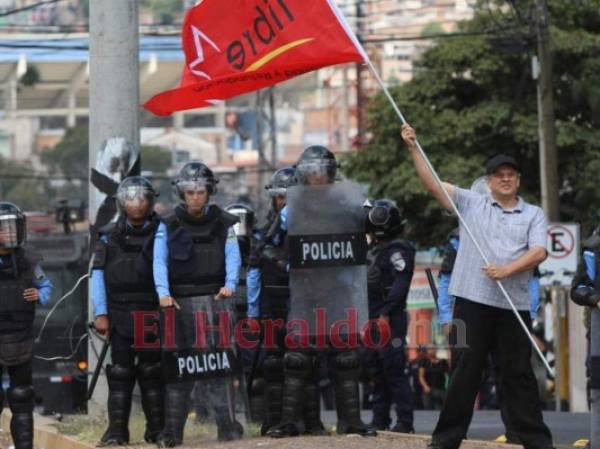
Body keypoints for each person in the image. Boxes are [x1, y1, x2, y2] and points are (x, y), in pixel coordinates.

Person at [401, 124, 555, 449]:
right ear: (488, 181)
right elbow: (432, 184)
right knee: (464, 372)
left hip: (513, 306)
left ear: (518, 180)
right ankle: (445, 440)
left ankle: (533, 440)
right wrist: (414, 147)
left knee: (518, 375)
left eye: (510, 174)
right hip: (470, 302)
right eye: (498, 174)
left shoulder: (534, 214)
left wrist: (507, 269)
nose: (505, 178)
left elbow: (540, 251)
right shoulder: (472, 203)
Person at [268, 146, 376, 437]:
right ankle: (290, 422)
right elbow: (268, 245)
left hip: (339, 290)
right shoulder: (292, 209)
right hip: (305, 291)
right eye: (310, 171)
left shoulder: (348, 200)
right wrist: (286, 262)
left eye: (321, 170)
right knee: (297, 359)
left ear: (331, 171)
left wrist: (377, 215)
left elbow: (375, 216)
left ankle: (350, 422)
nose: (316, 176)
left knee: (346, 358)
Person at [153, 161, 242, 447]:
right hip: (179, 305)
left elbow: (232, 255)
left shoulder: (224, 221)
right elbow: (159, 260)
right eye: (190, 191)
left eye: (200, 191)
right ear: (181, 193)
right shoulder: (167, 224)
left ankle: (227, 428)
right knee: (180, 370)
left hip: (216, 301)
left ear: (209, 192)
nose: (195, 197)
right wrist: (163, 293)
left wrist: (229, 286)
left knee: (219, 367)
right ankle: (173, 434)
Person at [246, 167, 322, 436]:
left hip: (303, 303)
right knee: (273, 364)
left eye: (291, 196)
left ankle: (303, 423)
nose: (285, 201)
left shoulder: (315, 228)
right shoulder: (264, 231)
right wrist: (253, 315)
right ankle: (274, 421)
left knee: (302, 362)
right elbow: (254, 272)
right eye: (280, 197)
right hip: (271, 304)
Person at [91, 176, 164, 446]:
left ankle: (157, 430)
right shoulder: (108, 236)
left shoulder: (162, 232)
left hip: (151, 313)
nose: (136, 205)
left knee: (152, 372)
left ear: (150, 201)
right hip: (119, 313)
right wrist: (101, 313)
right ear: (122, 203)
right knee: (120, 374)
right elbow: (97, 275)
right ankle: (117, 432)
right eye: (130, 199)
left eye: (142, 198)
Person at [0, 202, 53, 449]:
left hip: (20, 338)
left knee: (22, 396)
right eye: (3, 228)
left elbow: (46, 286)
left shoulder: (28, 259)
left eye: (11, 227)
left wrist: (38, 295)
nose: (8, 232)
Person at [363, 199, 415, 433]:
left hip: (390, 317)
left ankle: (405, 422)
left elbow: (400, 284)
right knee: (376, 369)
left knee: (393, 368)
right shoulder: (373, 249)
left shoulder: (398, 250)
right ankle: (379, 419)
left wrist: (385, 313)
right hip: (372, 316)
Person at [571, 225, 600, 449]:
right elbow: (579, 288)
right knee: (596, 380)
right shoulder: (594, 246)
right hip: (597, 328)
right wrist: (595, 299)